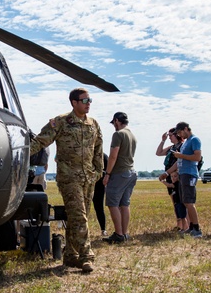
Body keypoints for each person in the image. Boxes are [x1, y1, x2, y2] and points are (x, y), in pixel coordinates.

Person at [30, 87, 104, 272]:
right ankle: (87, 256)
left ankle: (71, 256)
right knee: (79, 216)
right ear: (74, 102)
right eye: (85, 101)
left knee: (78, 217)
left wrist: (98, 172)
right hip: (69, 178)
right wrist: (18, 155)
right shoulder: (61, 122)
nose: (89, 104)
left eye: (90, 100)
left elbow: (98, 148)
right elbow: (40, 141)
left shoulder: (93, 123)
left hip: (88, 178)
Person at [103, 113, 137, 243]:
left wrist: (108, 173)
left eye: (113, 123)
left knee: (112, 204)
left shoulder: (118, 134)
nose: (113, 126)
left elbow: (113, 156)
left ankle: (118, 234)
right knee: (124, 204)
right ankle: (124, 233)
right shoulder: (132, 135)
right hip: (131, 172)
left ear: (117, 121)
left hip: (119, 173)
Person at [171, 121, 204, 237]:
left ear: (186, 129)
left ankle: (197, 228)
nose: (179, 135)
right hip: (183, 174)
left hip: (190, 174)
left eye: (180, 132)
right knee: (185, 201)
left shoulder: (195, 140)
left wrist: (181, 156)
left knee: (189, 202)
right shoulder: (186, 142)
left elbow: (197, 157)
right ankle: (191, 227)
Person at [157, 128, 189, 232]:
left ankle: (187, 225)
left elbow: (179, 162)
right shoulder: (172, 147)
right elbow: (158, 152)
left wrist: (167, 173)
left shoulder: (182, 147)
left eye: (171, 135)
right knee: (175, 201)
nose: (169, 137)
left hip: (177, 177)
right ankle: (179, 224)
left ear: (177, 135)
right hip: (170, 176)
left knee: (183, 202)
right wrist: (163, 140)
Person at [93, 153, 109, 236]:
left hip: (99, 186)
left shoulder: (104, 157)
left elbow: (108, 171)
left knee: (99, 208)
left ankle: (103, 229)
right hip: (88, 185)